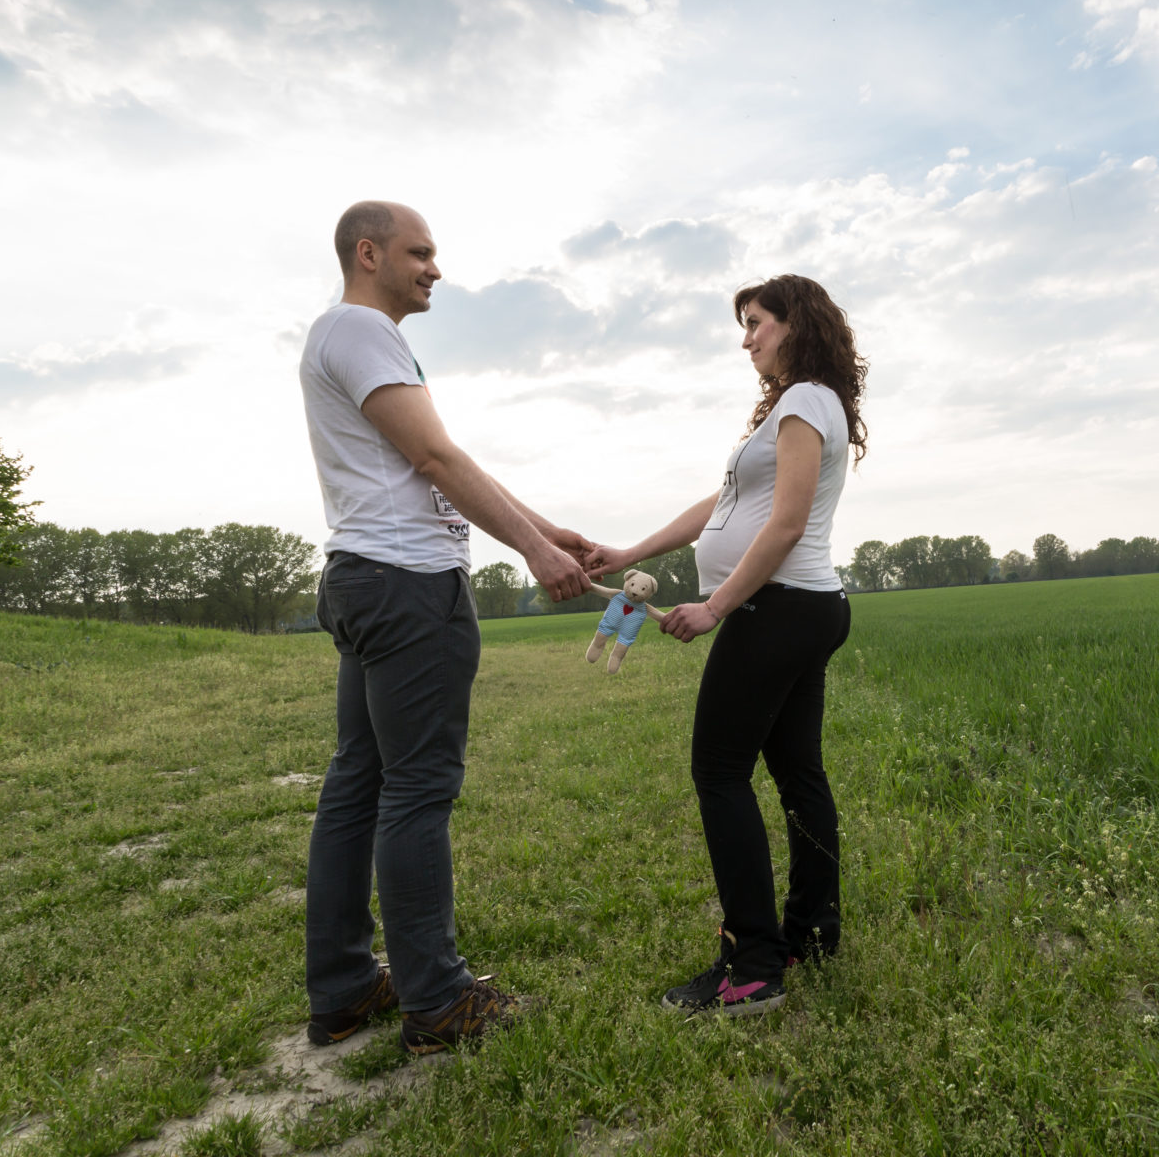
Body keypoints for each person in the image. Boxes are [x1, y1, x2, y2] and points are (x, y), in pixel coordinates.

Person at [299, 200, 593, 1053]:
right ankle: (436, 1001)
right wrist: (536, 552)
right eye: (419, 252)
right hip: (406, 586)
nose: (435, 268)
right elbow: (436, 460)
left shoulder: (348, 336)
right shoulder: (359, 331)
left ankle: (347, 990)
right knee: (417, 790)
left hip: (367, 576)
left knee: (358, 781)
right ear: (368, 253)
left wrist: (545, 528)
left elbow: (433, 461)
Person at [587, 274, 867, 1016]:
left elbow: (786, 523)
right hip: (801, 609)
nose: (746, 339)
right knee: (797, 771)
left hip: (777, 610)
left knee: (718, 770)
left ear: (795, 324)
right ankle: (811, 931)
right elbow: (724, 505)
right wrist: (626, 552)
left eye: (756, 323)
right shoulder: (794, 408)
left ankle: (753, 964)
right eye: (743, 326)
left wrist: (716, 606)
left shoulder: (806, 399)